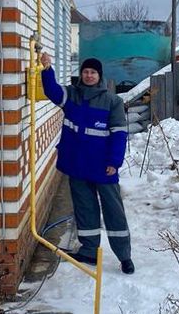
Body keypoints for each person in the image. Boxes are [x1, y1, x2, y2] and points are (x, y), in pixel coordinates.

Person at [39, 52, 134, 274]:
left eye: (93, 72)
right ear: (81, 74)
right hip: (77, 165)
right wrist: (46, 68)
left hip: (103, 167)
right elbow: (52, 90)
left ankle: (124, 256)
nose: (89, 75)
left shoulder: (112, 101)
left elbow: (119, 134)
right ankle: (89, 251)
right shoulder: (72, 95)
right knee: (85, 209)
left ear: (99, 76)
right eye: (86, 72)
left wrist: (114, 161)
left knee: (113, 211)